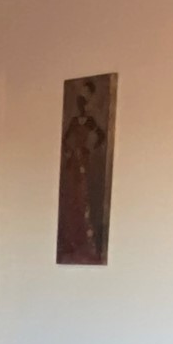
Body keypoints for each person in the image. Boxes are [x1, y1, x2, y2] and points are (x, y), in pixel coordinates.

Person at [57, 80, 109, 261]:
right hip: (73, 162)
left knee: (82, 196)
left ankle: (84, 240)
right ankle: (70, 239)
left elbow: (101, 136)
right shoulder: (73, 121)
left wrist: (89, 148)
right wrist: (69, 151)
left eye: (84, 97)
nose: (81, 101)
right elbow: (63, 140)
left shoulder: (90, 120)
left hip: (83, 162)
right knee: (71, 198)